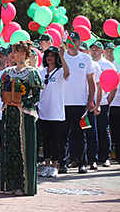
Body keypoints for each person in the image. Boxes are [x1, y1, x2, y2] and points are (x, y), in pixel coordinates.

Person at [0, 40, 43, 196]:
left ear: (24, 54)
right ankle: (10, 184)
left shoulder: (32, 72)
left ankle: (24, 185)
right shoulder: (7, 72)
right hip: (9, 115)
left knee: (22, 150)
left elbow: (36, 96)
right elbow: (1, 93)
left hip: (23, 115)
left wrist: (22, 102)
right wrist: (7, 98)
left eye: (15, 52)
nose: (12, 55)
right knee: (10, 149)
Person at [58, 34, 96, 175]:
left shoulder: (86, 58)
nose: (72, 43)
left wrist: (90, 100)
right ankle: (63, 163)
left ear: (79, 42)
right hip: (63, 103)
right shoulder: (61, 57)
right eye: (69, 40)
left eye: (74, 41)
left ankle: (82, 163)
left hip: (80, 104)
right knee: (63, 135)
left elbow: (91, 81)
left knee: (81, 134)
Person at [37, 44, 70, 180]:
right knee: (46, 140)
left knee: (55, 140)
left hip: (56, 112)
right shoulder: (41, 72)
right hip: (43, 111)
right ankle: (47, 165)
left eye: (53, 56)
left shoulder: (60, 71)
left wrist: (62, 57)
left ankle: (55, 167)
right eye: (48, 55)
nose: (50, 58)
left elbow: (67, 74)